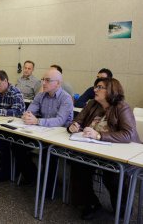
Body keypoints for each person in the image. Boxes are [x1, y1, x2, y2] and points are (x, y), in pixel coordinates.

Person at [68, 77, 140, 220]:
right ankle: (92, 203)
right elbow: (78, 120)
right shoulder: (92, 104)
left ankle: (123, 208)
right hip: (93, 150)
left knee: (112, 176)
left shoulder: (121, 107)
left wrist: (99, 135)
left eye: (99, 87)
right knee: (77, 164)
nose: (95, 90)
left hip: (118, 153)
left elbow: (129, 134)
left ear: (111, 90)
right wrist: (73, 126)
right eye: (96, 87)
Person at [17, 69, 73, 188]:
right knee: (17, 145)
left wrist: (37, 121)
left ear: (58, 83)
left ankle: (47, 188)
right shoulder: (41, 95)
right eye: (43, 79)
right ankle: (33, 176)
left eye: (47, 80)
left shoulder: (66, 98)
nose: (43, 83)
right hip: (42, 133)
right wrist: (27, 115)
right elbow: (30, 111)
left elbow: (60, 121)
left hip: (60, 137)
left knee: (48, 153)